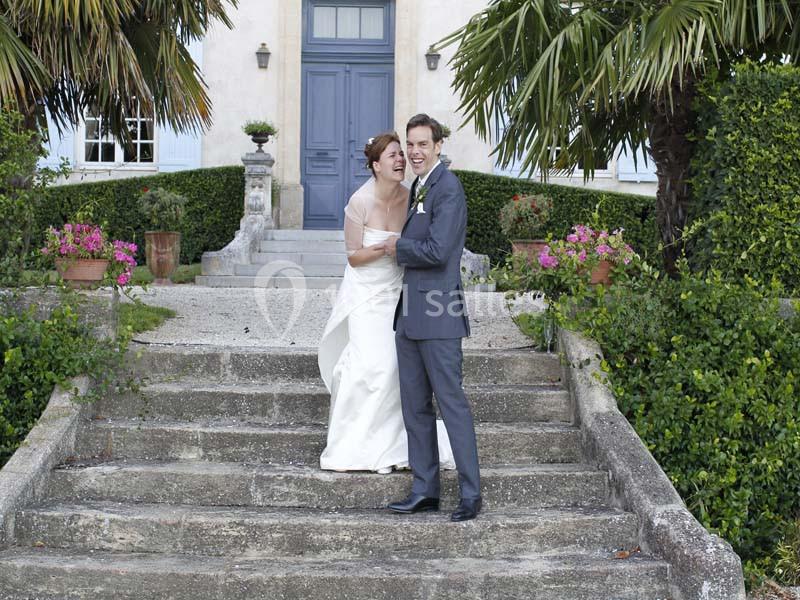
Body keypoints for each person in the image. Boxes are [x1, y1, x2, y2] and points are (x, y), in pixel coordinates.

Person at [317, 131, 455, 474]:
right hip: (367, 293)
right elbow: (353, 257)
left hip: (398, 290)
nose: (401, 160)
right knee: (370, 365)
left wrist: (405, 250)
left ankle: (392, 446)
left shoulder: (412, 197)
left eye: (401, 154)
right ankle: (355, 447)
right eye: (393, 155)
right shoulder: (359, 202)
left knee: (395, 368)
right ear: (376, 165)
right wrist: (385, 247)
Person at [383, 114, 482, 522]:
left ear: (438, 146)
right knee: (415, 408)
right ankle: (425, 490)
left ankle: (471, 495)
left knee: (451, 405)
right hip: (410, 316)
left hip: (439, 316)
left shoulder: (449, 188)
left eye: (423, 144)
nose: (415, 152)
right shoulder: (418, 186)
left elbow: (439, 252)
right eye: (411, 144)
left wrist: (397, 247)